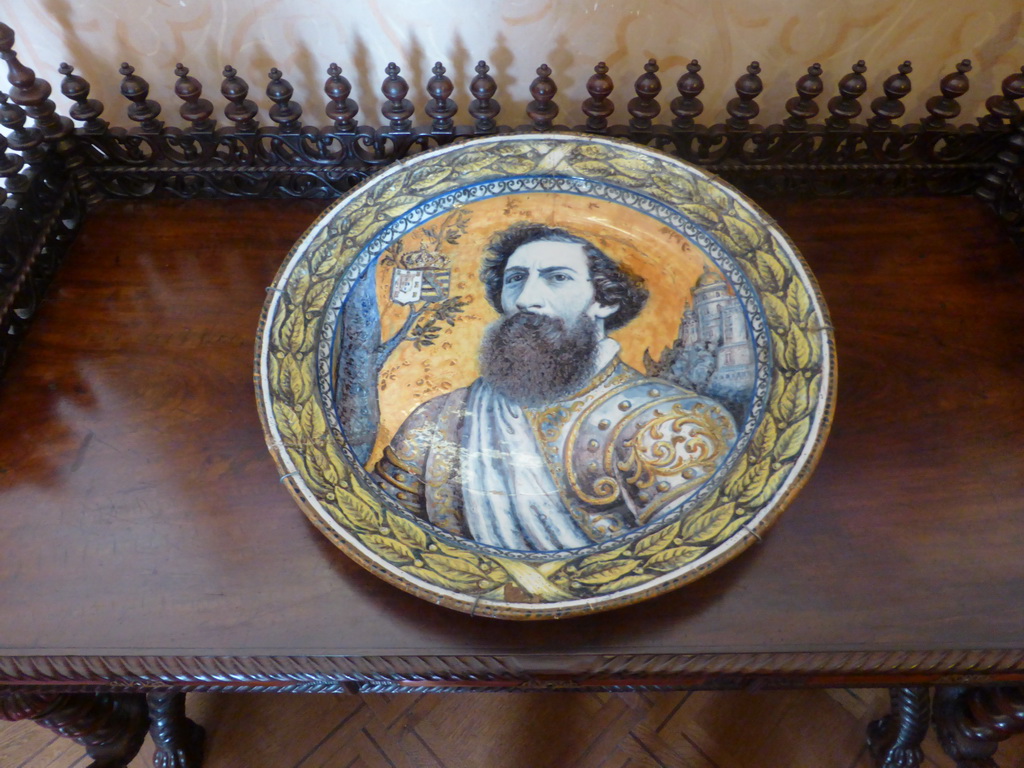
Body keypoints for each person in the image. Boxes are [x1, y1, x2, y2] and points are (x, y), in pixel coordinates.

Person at [371, 223, 737, 551]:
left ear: (604, 300)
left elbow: (682, 551)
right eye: (515, 279)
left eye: (557, 277)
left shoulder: (671, 422)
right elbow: (387, 536)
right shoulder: (437, 420)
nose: (526, 299)